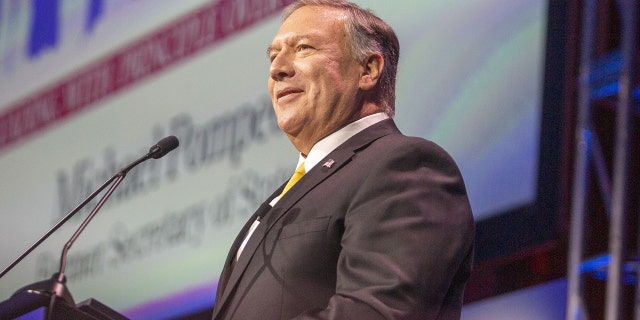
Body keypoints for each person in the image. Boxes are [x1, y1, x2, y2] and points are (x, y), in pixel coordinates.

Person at [211, 1, 475, 319]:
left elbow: (377, 311)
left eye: (303, 48)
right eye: (273, 55)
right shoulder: (281, 197)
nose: (276, 69)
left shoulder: (406, 166)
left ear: (368, 70)